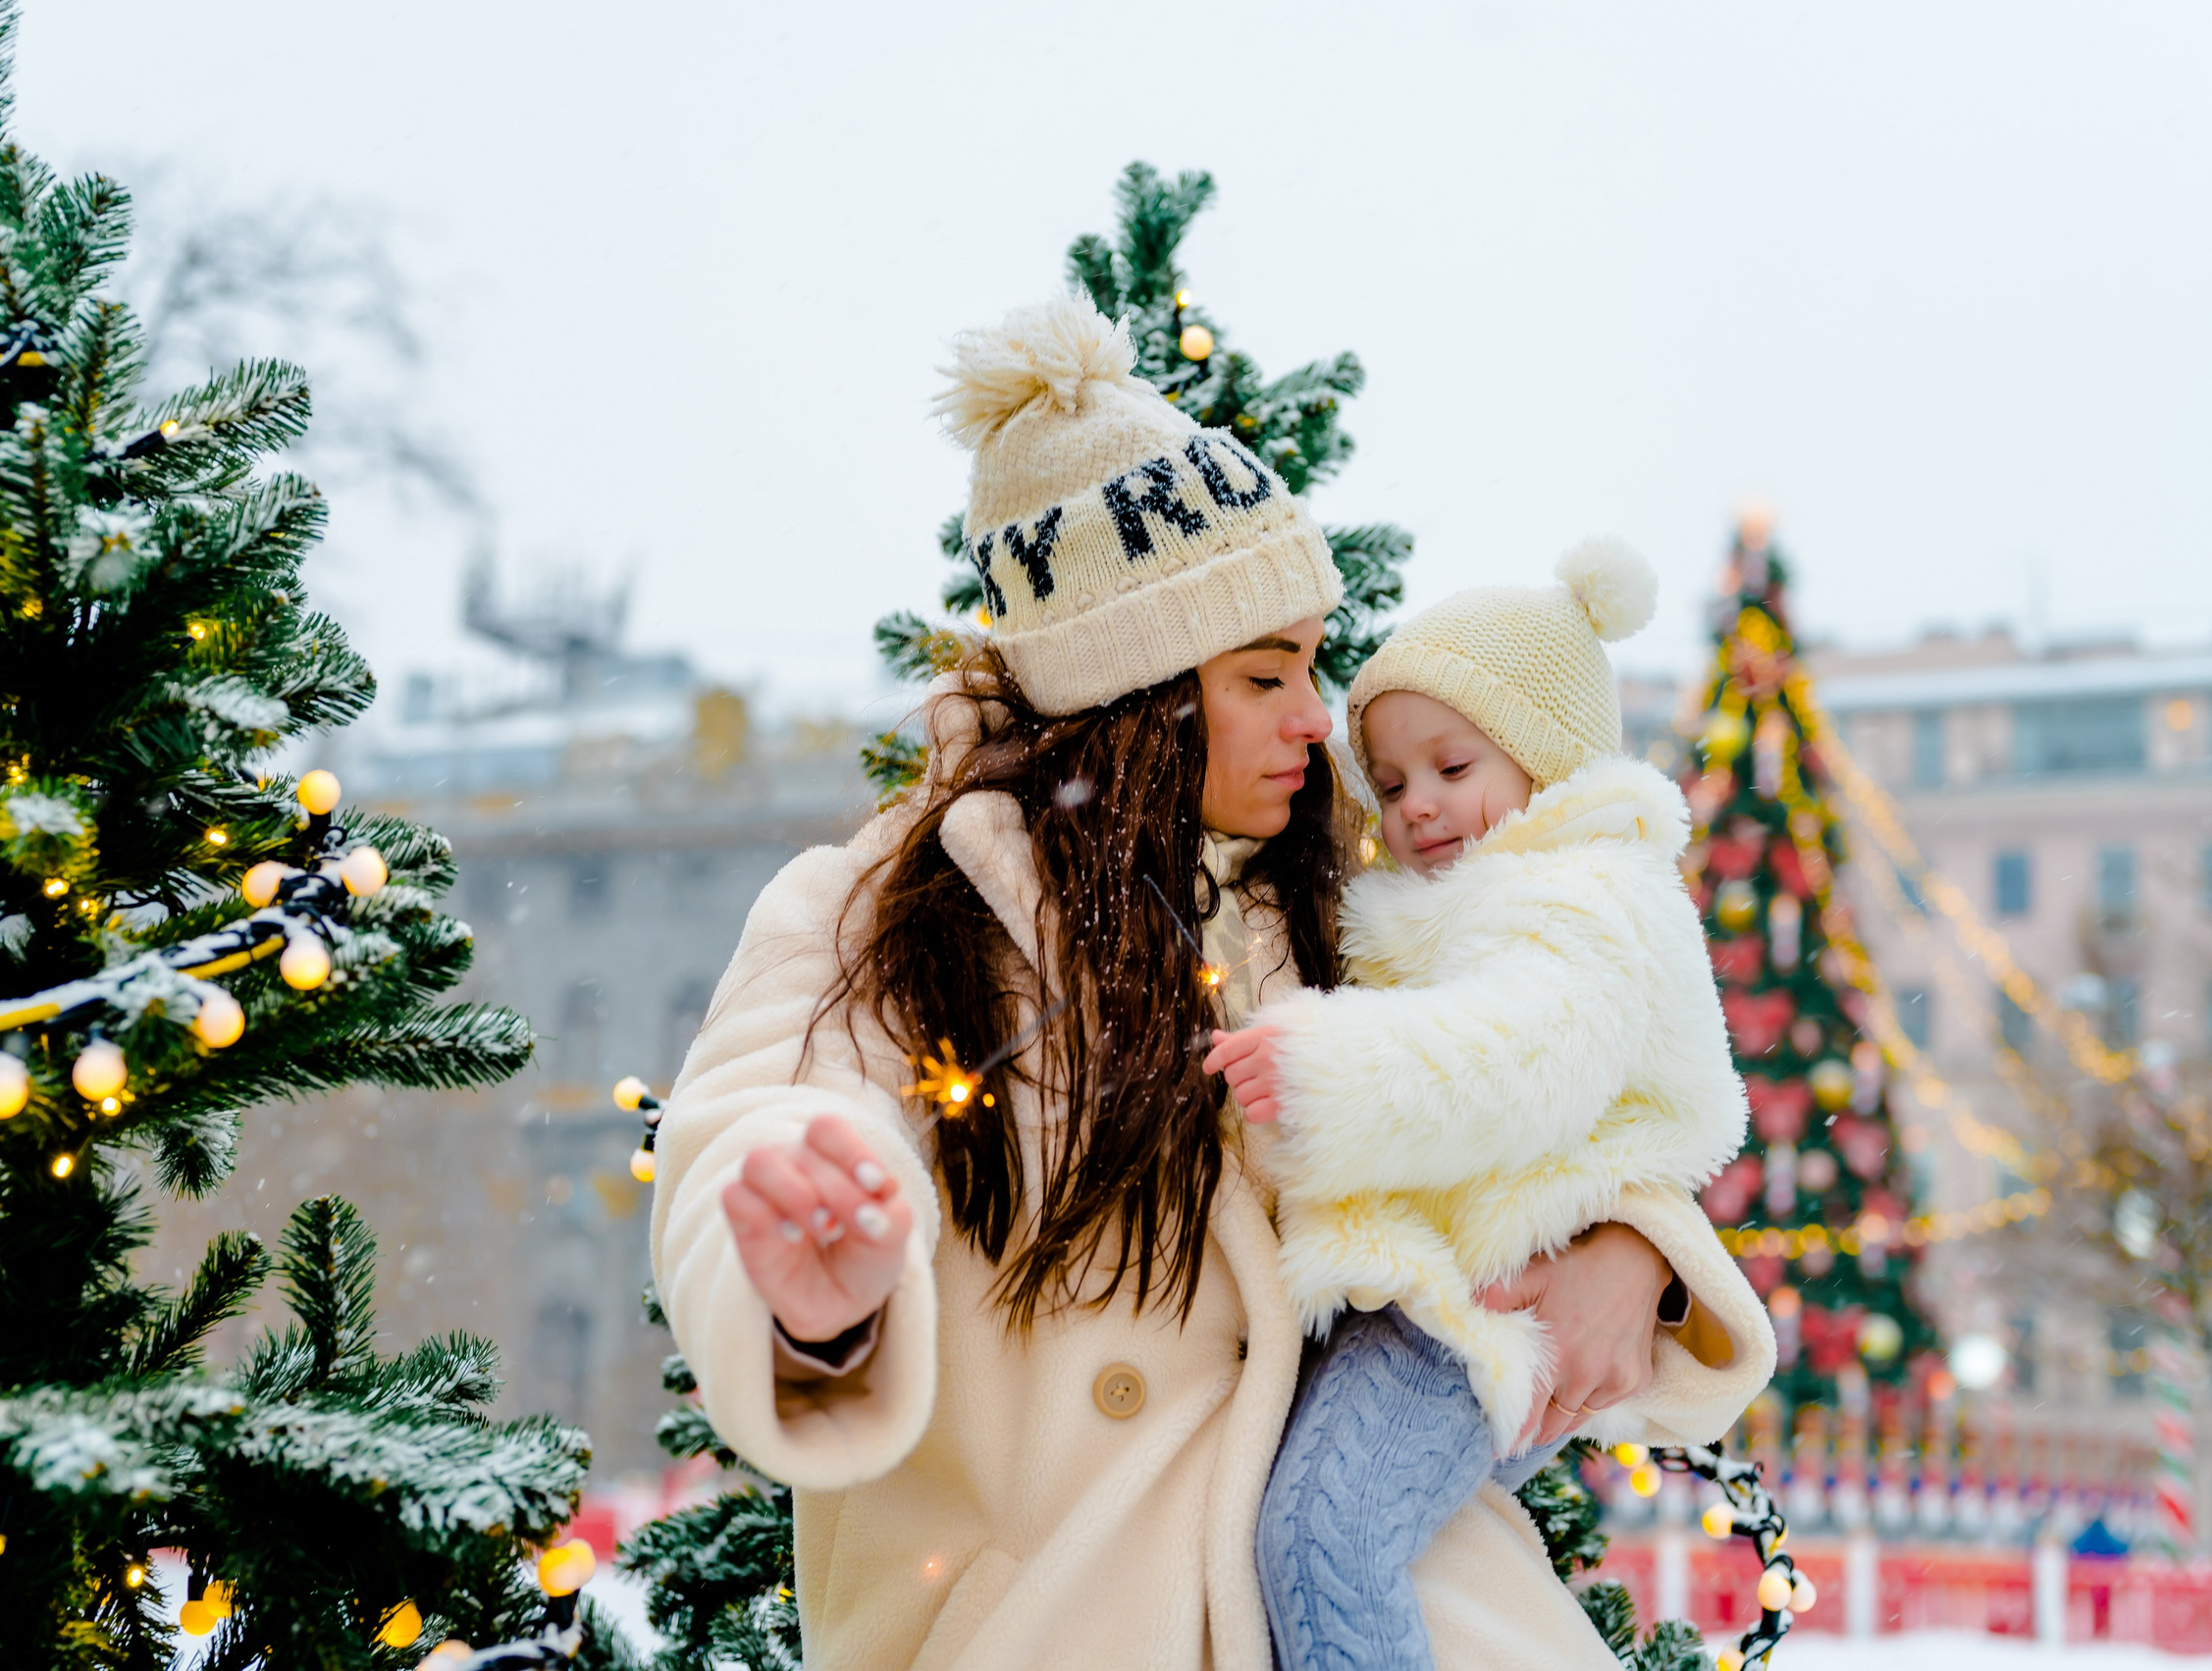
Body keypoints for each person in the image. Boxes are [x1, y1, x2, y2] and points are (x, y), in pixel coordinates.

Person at [648, 291, 1773, 1671]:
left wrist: (1634, 1250)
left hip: (1403, 1602)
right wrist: (815, 1289)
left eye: (1311, 661)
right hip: (1063, 1611)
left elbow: (1557, 1056)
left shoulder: (1343, 898)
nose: (1319, 714)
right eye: (1265, 672)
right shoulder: (882, 912)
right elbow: (748, 1138)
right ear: (1144, 691)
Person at [1206, 548, 1767, 1670]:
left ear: (1547, 757)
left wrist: (1324, 1073)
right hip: (1452, 1283)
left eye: (1451, 765)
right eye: (1392, 779)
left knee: (1326, 1537)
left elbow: (1518, 1060)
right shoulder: (1482, 898)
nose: (1416, 806)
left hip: (1480, 1298)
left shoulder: (1578, 897)